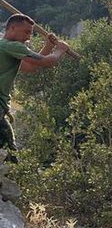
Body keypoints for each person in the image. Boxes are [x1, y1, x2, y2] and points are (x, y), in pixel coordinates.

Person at [0, 13, 69, 157]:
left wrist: (48, 46)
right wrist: (60, 50)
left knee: (8, 156)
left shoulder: (4, 47)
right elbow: (47, 62)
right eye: (26, 32)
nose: (28, 37)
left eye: (30, 33)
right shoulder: (13, 46)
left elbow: (30, 67)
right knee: (10, 158)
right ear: (12, 27)